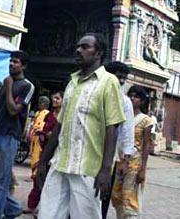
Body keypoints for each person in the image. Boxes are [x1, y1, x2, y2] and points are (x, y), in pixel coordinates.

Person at [37, 34, 126, 219]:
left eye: (85, 47)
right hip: (60, 163)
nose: (78, 50)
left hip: (87, 168)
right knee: (47, 214)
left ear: (98, 53)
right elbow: (60, 126)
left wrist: (105, 170)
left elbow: (113, 127)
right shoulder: (72, 83)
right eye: (78, 46)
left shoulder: (109, 82)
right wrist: (43, 161)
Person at [0, 51, 35, 219]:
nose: (11, 64)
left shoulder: (26, 86)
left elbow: (13, 111)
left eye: (15, 62)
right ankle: (13, 209)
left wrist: (9, 86)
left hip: (10, 137)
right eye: (10, 61)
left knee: (1, 183)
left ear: (23, 65)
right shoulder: (6, 83)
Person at [111, 86, 153, 219]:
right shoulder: (122, 116)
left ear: (142, 101)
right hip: (119, 160)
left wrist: (143, 169)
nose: (132, 99)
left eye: (136, 97)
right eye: (131, 95)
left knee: (129, 195)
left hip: (134, 163)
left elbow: (146, 145)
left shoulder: (145, 120)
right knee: (116, 194)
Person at [103, 61, 135, 219]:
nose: (121, 81)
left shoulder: (125, 102)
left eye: (124, 78)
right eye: (119, 77)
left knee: (102, 196)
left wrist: (125, 160)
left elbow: (127, 133)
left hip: (109, 157)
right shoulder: (96, 92)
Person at [26, 92, 63, 213]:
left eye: (58, 98)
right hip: (44, 150)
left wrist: (52, 135)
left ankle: (47, 209)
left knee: (53, 183)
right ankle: (32, 206)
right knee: (39, 178)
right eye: (54, 98)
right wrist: (43, 135)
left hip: (58, 153)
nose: (55, 100)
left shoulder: (64, 116)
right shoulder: (49, 115)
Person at [29, 96, 51, 176]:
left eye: (41, 102)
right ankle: (33, 172)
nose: (39, 104)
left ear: (45, 104)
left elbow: (43, 125)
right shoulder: (37, 113)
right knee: (32, 154)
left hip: (40, 136)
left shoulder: (47, 113)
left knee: (37, 154)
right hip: (34, 136)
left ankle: (36, 173)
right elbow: (34, 124)